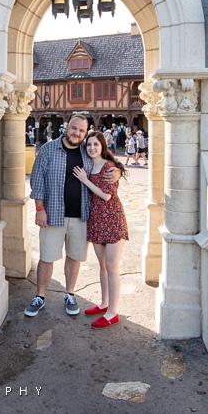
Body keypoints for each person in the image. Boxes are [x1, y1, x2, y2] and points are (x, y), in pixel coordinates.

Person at [27, 114, 118, 318]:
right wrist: (39, 209)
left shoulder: (88, 152)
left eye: (81, 131)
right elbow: (37, 179)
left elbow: (108, 162)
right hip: (53, 215)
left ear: (85, 133)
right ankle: (40, 296)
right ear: (67, 127)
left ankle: (69, 294)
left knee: (74, 257)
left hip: (82, 216)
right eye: (74, 128)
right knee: (47, 257)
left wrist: (118, 171)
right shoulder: (49, 149)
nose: (77, 133)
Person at [72, 131, 129, 329]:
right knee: (102, 265)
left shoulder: (109, 167)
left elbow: (106, 196)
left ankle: (113, 312)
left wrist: (85, 181)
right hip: (96, 219)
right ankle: (104, 303)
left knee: (112, 266)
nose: (92, 148)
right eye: (89, 145)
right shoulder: (89, 165)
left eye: (95, 144)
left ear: (102, 145)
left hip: (112, 218)